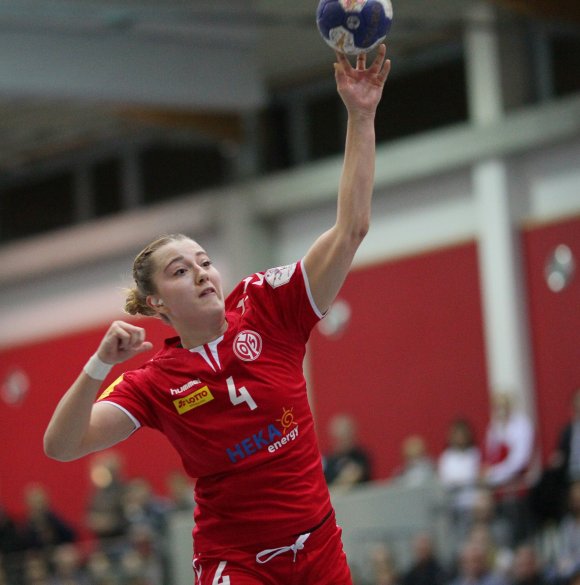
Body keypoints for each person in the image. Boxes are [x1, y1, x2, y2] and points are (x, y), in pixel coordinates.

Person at [43, 45, 392, 585]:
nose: (202, 274)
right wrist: (96, 367)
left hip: (319, 549)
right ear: (156, 303)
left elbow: (351, 229)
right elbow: (61, 447)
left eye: (204, 262)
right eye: (181, 271)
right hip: (239, 564)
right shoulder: (155, 383)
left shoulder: (270, 308)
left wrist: (361, 114)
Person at [437, 417, 481, 537]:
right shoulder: (447, 457)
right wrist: (462, 482)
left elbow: (478, 477)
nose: (460, 438)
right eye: (457, 434)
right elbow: (446, 481)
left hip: (473, 504)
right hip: (454, 505)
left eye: (463, 434)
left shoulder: (475, 454)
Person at [323, 413, 372, 491]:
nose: (341, 441)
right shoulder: (327, 460)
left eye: (345, 436)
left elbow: (354, 476)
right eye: (338, 437)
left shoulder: (360, 456)